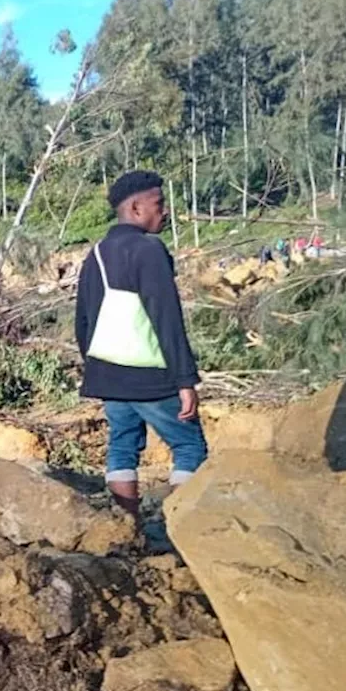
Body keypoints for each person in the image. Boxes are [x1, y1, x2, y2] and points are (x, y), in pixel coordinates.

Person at [74, 170, 208, 522]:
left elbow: (83, 321)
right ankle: (179, 529)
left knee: (122, 446)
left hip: (108, 373)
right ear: (135, 208)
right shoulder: (149, 250)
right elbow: (166, 317)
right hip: (151, 375)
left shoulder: (96, 254)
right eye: (159, 204)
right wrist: (185, 380)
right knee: (189, 445)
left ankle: (127, 528)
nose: (164, 212)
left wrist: (98, 366)